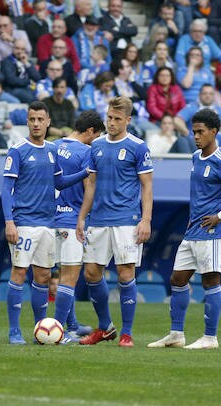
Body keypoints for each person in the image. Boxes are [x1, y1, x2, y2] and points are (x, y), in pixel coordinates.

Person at [148, 108, 221, 351]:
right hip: (194, 229)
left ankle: (210, 338)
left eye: (200, 132)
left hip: (213, 231)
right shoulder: (195, 157)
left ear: (214, 132)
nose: (195, 136)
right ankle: (176, 334)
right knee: (178, 278)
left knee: (210, 280)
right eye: (194, 132)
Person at [2, 101, 90, 345]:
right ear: (27, 121)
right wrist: (9, 221)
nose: (36, 123)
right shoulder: (18, 150)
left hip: (48, 223)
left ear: (48, 121)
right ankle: (14, 331)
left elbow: (60, 183)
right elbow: (6, 189)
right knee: (19, 272)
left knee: (42, 276)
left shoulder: (52, 150)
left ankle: (40, 330)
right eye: (32, 119)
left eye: (41, 119)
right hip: (24, 223)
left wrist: (85, 172)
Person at [76, 97, 153, 347]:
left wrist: (146, 220)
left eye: (117, 119)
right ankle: (105, 327)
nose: (111, 122)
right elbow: (91, 185)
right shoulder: (96, 146)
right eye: (109, 117)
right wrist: (81, 217)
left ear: (128, 120)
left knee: (125, 272)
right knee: (91, 273)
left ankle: (127, 333)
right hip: (98, 219)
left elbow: (147, 186)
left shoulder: (138, 147)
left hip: (126, 220)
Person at [52, 111, 106, 339]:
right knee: (70, 277)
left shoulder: (52, 146)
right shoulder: (87, 151)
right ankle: (56, 330)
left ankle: (72, 324)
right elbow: (89, 187)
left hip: (48, 219)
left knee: (59, 273)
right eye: (97, 135)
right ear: (90, 131)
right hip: (72, 220)